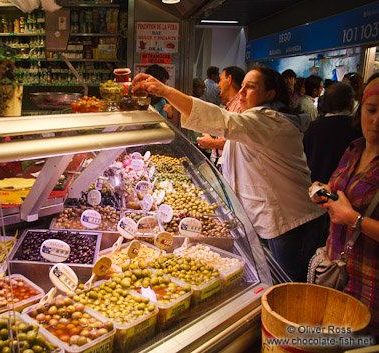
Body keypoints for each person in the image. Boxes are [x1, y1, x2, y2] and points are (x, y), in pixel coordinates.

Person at [133, 64, 327, 282]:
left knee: (291, 287)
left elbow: (220, 120)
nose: (241, 92)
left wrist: (165, 91)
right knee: (277, 280)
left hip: (293, 222)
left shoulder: (270, 122)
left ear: (270, 94)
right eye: (242, 86)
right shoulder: (256, 119)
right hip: (276, 219)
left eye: (250, 87)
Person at [310, 73, 379, 339]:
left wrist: (353, 218)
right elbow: (340, 192)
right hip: (337, 274)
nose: (376, 121)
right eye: (371, 110)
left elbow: (351, 213)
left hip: (371, 287)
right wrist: (323, 191)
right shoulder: (355, 149)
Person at [304, 82, 363, 184]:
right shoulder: (358, 128)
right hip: (345, 189)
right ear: (351, 102)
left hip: (315, 187)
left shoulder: (311, 128)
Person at [197, 66, 245, 168]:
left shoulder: (241, 106)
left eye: (220, 80)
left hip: (230, 164)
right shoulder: (230, 106)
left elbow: (237, 142)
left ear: (230, 79)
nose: (218, 85)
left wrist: (212, 142)